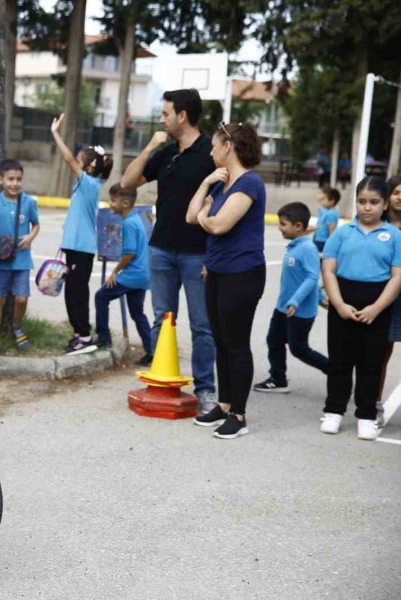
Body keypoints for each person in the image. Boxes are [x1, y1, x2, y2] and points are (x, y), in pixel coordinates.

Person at [120, 88, 218, 413]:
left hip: (197, 254)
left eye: (165, 114)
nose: (161, 119)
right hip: (161, 249)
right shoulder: (166, 152)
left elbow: (221, 202)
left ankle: (205, 389)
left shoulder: (210, 153)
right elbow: (128, 182)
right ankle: (161, 379)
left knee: (202, 324)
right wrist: (150, 146)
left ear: (182, 116)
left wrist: (213, 255)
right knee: (163, 320)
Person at [187, 122, 266, 439]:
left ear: (228, 147)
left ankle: (239, 414)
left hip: (242, 274)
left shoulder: (249, 183)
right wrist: (206, 183)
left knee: (236, 343)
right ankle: (223, 404)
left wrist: (207, 216)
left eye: (214, 145)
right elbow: (191, 216)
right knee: (221, 341)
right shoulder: (221, 183)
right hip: (217, 271)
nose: (210, 151)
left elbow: (217, 225)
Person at [319, 177, 401, 440]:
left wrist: (376, 308)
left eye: (374, 202)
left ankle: (366, 414)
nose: (367, 207)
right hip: (343, 300)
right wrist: (339, 303)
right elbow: (329, 270)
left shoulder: (395, 236)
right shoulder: (342, 233)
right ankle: (334, 410)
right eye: (362, 201)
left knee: (371, 362)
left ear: (384, 203)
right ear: (355, 202)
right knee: (340, 360)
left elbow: (397, 276)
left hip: (377, 303)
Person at [50, 113, 112, 355]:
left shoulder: (89, 183)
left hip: (83, 248)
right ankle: (79, 334)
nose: (74, 163)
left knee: (77, 292)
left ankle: (85, 336)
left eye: (79, 161)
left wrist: (55, 133)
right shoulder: (84, 185)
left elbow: (67, 159)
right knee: (72, 291)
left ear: (89, 167)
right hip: (75, 246)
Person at [253, 202, 329, 393]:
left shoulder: (307, 249)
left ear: (297, 226)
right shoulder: (296, 246)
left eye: (283, 224)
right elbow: (303, 276)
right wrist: (318, 297)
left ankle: (335, 371)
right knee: (274, 341)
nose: (279, 228)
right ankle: (278, 379)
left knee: (299, 348)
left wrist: (297, 300)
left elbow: (312, 276)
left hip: (299, 310)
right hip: (283, 307)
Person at [0, 159, 40, 356]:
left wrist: (31, 236)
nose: (14, 183)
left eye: (18, 179)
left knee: (22, 299)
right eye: (10, 179)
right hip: (0, 260)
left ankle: (17, 326)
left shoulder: (29, 202)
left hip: (22, 259)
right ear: (0, 180)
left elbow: (36, 224)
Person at [94, 184, 152, 365]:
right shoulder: (137, 220)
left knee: (101, 297)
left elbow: (130, 254)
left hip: (132, 274)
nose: (111, 204)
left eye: (113, 200)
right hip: (142, 275)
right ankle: (152, 351)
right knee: (137, 313)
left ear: (125, 203)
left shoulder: (128, 223)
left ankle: (104, 338)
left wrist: (115, 271)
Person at [376, 175, 401, 424]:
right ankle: (374, 403)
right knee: (380, 354)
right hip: (380, 298)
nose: (400, 197)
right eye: (396, 192)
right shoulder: (373, 224)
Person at [312, 186, 340, 253]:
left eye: (324, 199)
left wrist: (332, 245)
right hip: (318, 239)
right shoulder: (324, 210)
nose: (321, 201)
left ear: (332, 201)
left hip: (323, 242)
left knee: (321, 260)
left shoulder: (331, 214)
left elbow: (331, 231)